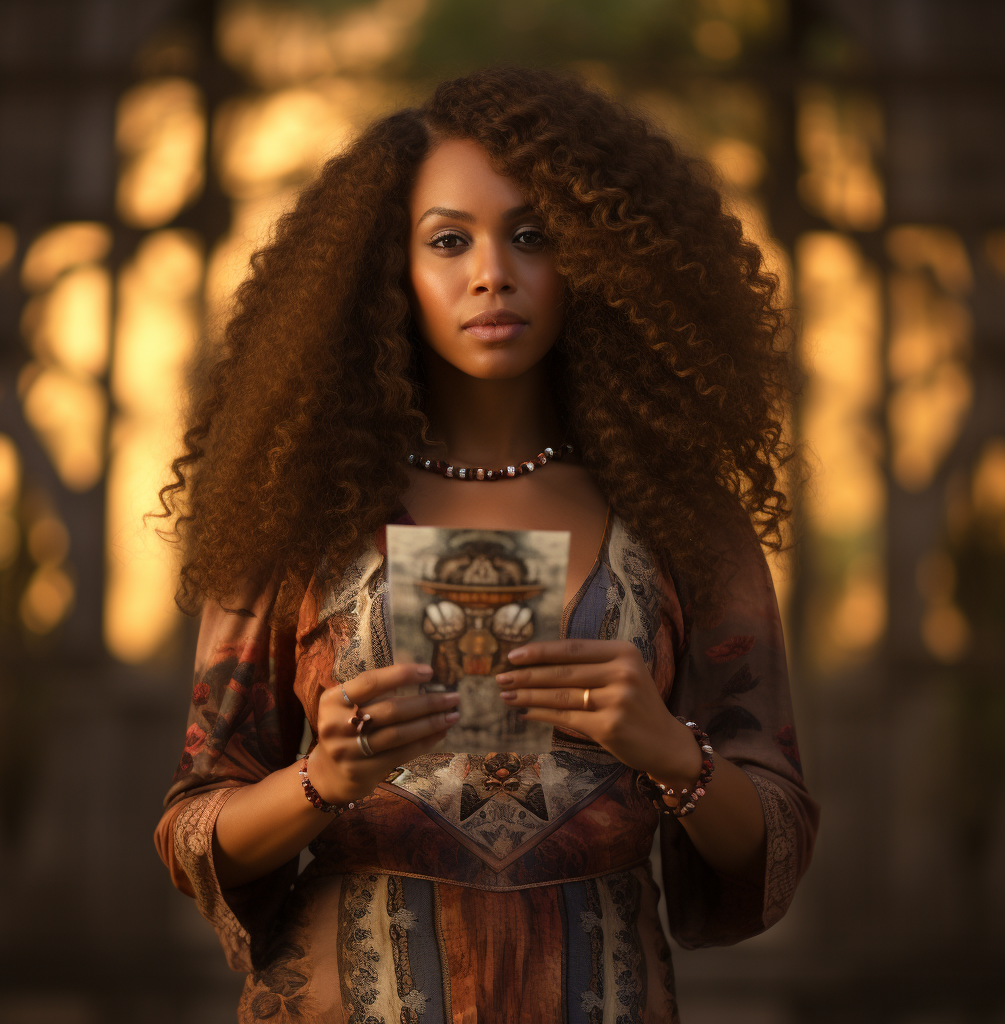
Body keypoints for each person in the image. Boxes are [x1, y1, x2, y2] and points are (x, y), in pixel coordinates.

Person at [154, 65, 819, 1022]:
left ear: (596, 258)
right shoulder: (299, 510)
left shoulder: (683, 519)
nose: (491, 273)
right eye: (449, 241)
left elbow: (779, 834)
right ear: (392, 268)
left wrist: (673, 752)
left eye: (534, 236)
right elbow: (190, 829)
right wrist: (320, 780)